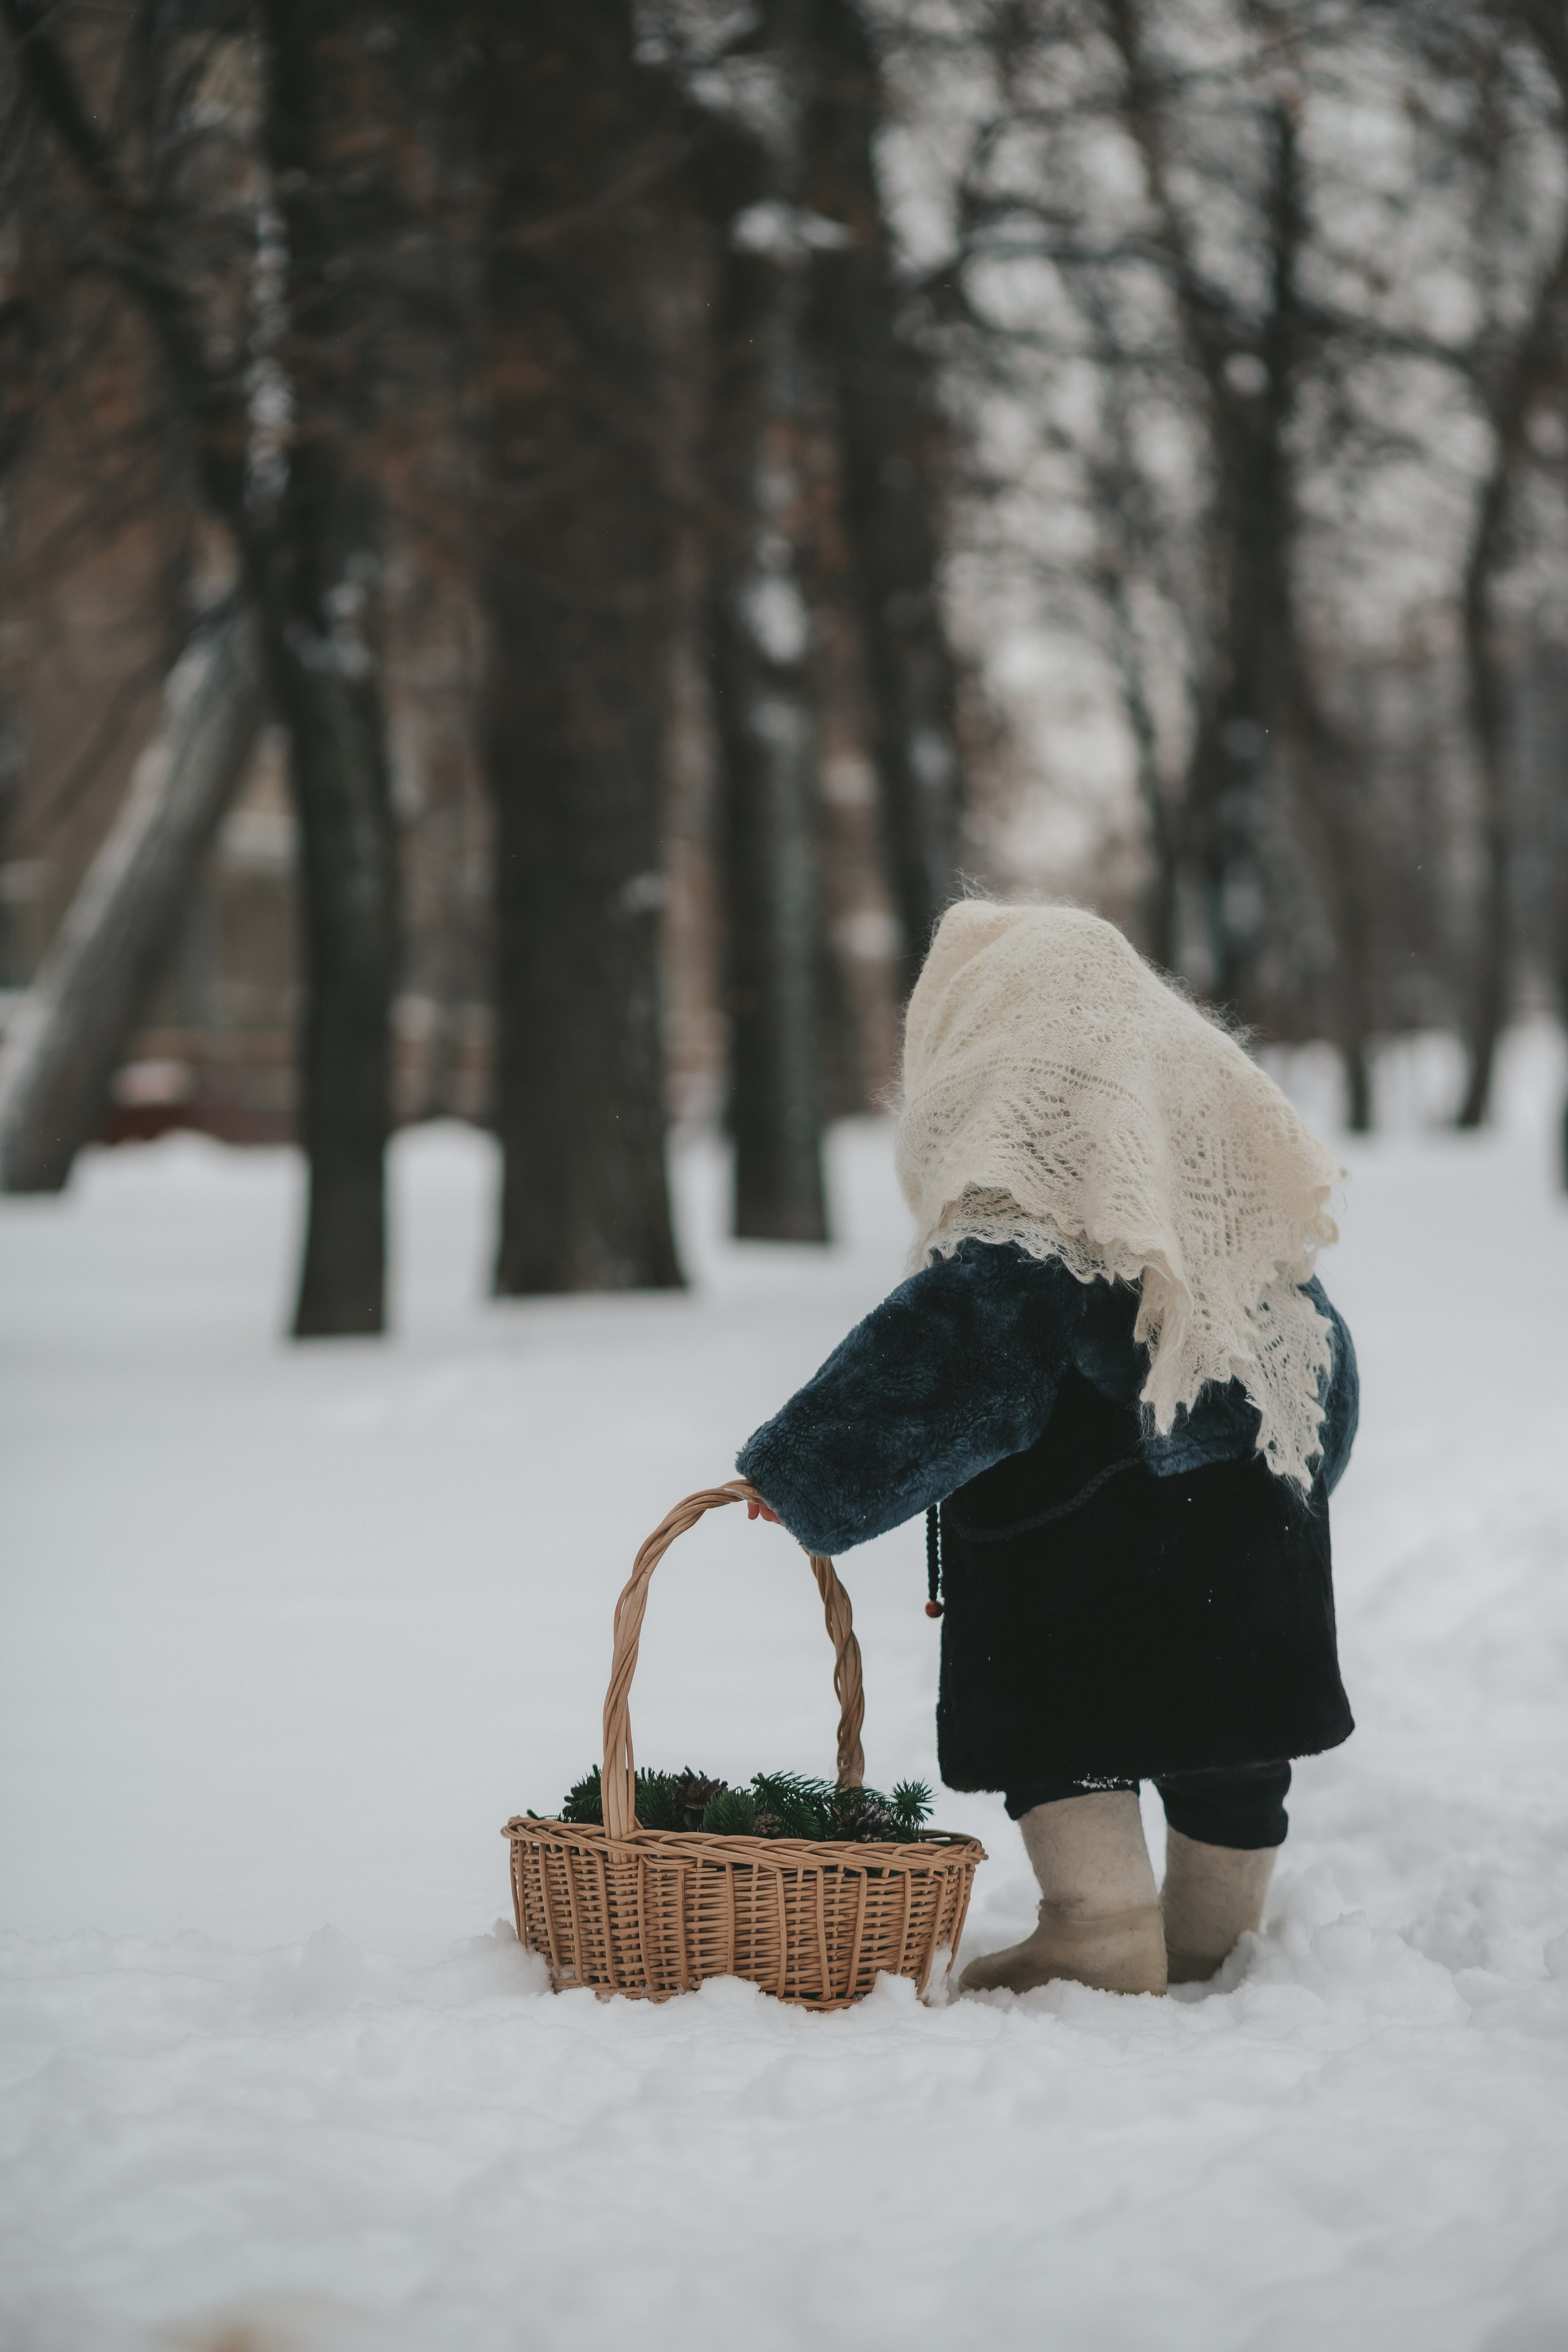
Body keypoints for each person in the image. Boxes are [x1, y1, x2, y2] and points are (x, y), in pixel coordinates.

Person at [736, 900, 1359, 1997]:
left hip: (1074, 1528)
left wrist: (812, 1474)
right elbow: (1321, 1357)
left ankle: (1102, 1928)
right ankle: (1216, 1934)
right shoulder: (1215, 1143)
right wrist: (1302, 1488)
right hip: (1250, 1511)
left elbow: (965, 1341)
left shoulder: (1030, 1136)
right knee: (1233, 1732)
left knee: (1073, 1720)